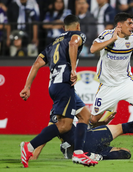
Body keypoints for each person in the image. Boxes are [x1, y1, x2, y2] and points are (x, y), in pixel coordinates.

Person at [19, 14, 98, 168]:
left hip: (55, 85)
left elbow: (36, 63)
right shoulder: (78, 35)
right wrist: (74, 69)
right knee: (64, 126)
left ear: (63, 28)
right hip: (64, 84)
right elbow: (74, 44)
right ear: (78, 26)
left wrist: (27, 86)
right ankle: (29, 147)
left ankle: (78, 153)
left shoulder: (52, 44)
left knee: (85, 115)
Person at [30, 105, 133, 160]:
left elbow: (44, 139)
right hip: (90, 138)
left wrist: (33, 156)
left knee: (126, 152)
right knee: (124, 128)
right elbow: (86, 123)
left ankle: (97, 156)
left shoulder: (57, 119)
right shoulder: (69, 110)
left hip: (84, 146)